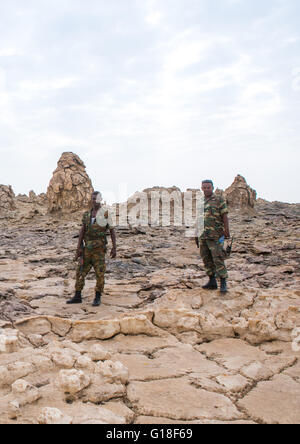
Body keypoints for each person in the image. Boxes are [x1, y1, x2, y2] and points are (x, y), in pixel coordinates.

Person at [67, 191, 117, 306]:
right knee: (80, 271)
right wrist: (78, 247)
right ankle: (77, 295)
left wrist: (114, 247)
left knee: (100, 273)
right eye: (93, 199)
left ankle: (98, 297)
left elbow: (112, 231)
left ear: (100, 199)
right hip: (87, 249)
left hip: (99, 250)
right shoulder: (86, 214)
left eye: (96, 199)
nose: (94, 201)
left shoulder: (106, 214)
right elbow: (82, 230)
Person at [195, 180, 230, 293]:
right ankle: (212, 281)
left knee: (218, 258)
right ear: (202, 188)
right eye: (204, 187)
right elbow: (198, 219)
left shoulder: (219, 199)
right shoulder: (200, 202)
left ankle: (223, 283)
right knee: (206, 259)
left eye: (208, 187)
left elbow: (224, 215)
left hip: (215, 235)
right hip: (203, 236)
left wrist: (226, 231)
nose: (206, 189)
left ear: (212, 188)